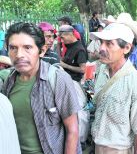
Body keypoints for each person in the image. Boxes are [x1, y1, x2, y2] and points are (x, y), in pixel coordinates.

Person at [1, 22, 81, 154]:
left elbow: (72, 131)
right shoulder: (8, 82)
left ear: (42, 51)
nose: (19, 54)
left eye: (27, 47)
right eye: (13, 48)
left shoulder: (58, 79)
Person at [90, 22, 137, 153]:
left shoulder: (136, 82)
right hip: (97, 145)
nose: (101, 49)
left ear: (126, 48)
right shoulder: (100, 70)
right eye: (101, 42)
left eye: (109, 43)